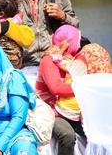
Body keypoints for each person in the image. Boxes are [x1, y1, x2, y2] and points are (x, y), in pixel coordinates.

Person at [36, 24, 111, 155]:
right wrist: (84, 87)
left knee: (99, 132)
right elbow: (56, 88)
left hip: (71, 111)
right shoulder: (48, 60)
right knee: (67, 135)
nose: (78, 44)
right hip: (51, 110)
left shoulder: (69, 60)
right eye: (76, 40)